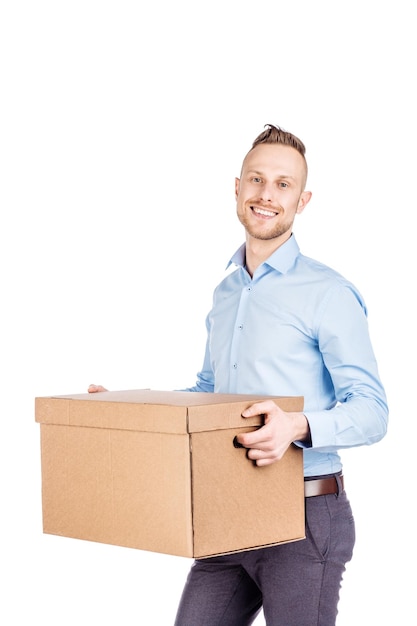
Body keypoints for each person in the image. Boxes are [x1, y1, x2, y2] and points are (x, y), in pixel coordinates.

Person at [89, 124, 388, 626]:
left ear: (303, 199)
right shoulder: (226, 293)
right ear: (237, 188)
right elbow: (209, 395)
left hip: (305, 516)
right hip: (228, 508)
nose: (266, 194)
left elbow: (373, 410)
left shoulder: (329, 292)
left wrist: (296, 426)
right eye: (256, 180)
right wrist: (126, 406)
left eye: (283, 184)